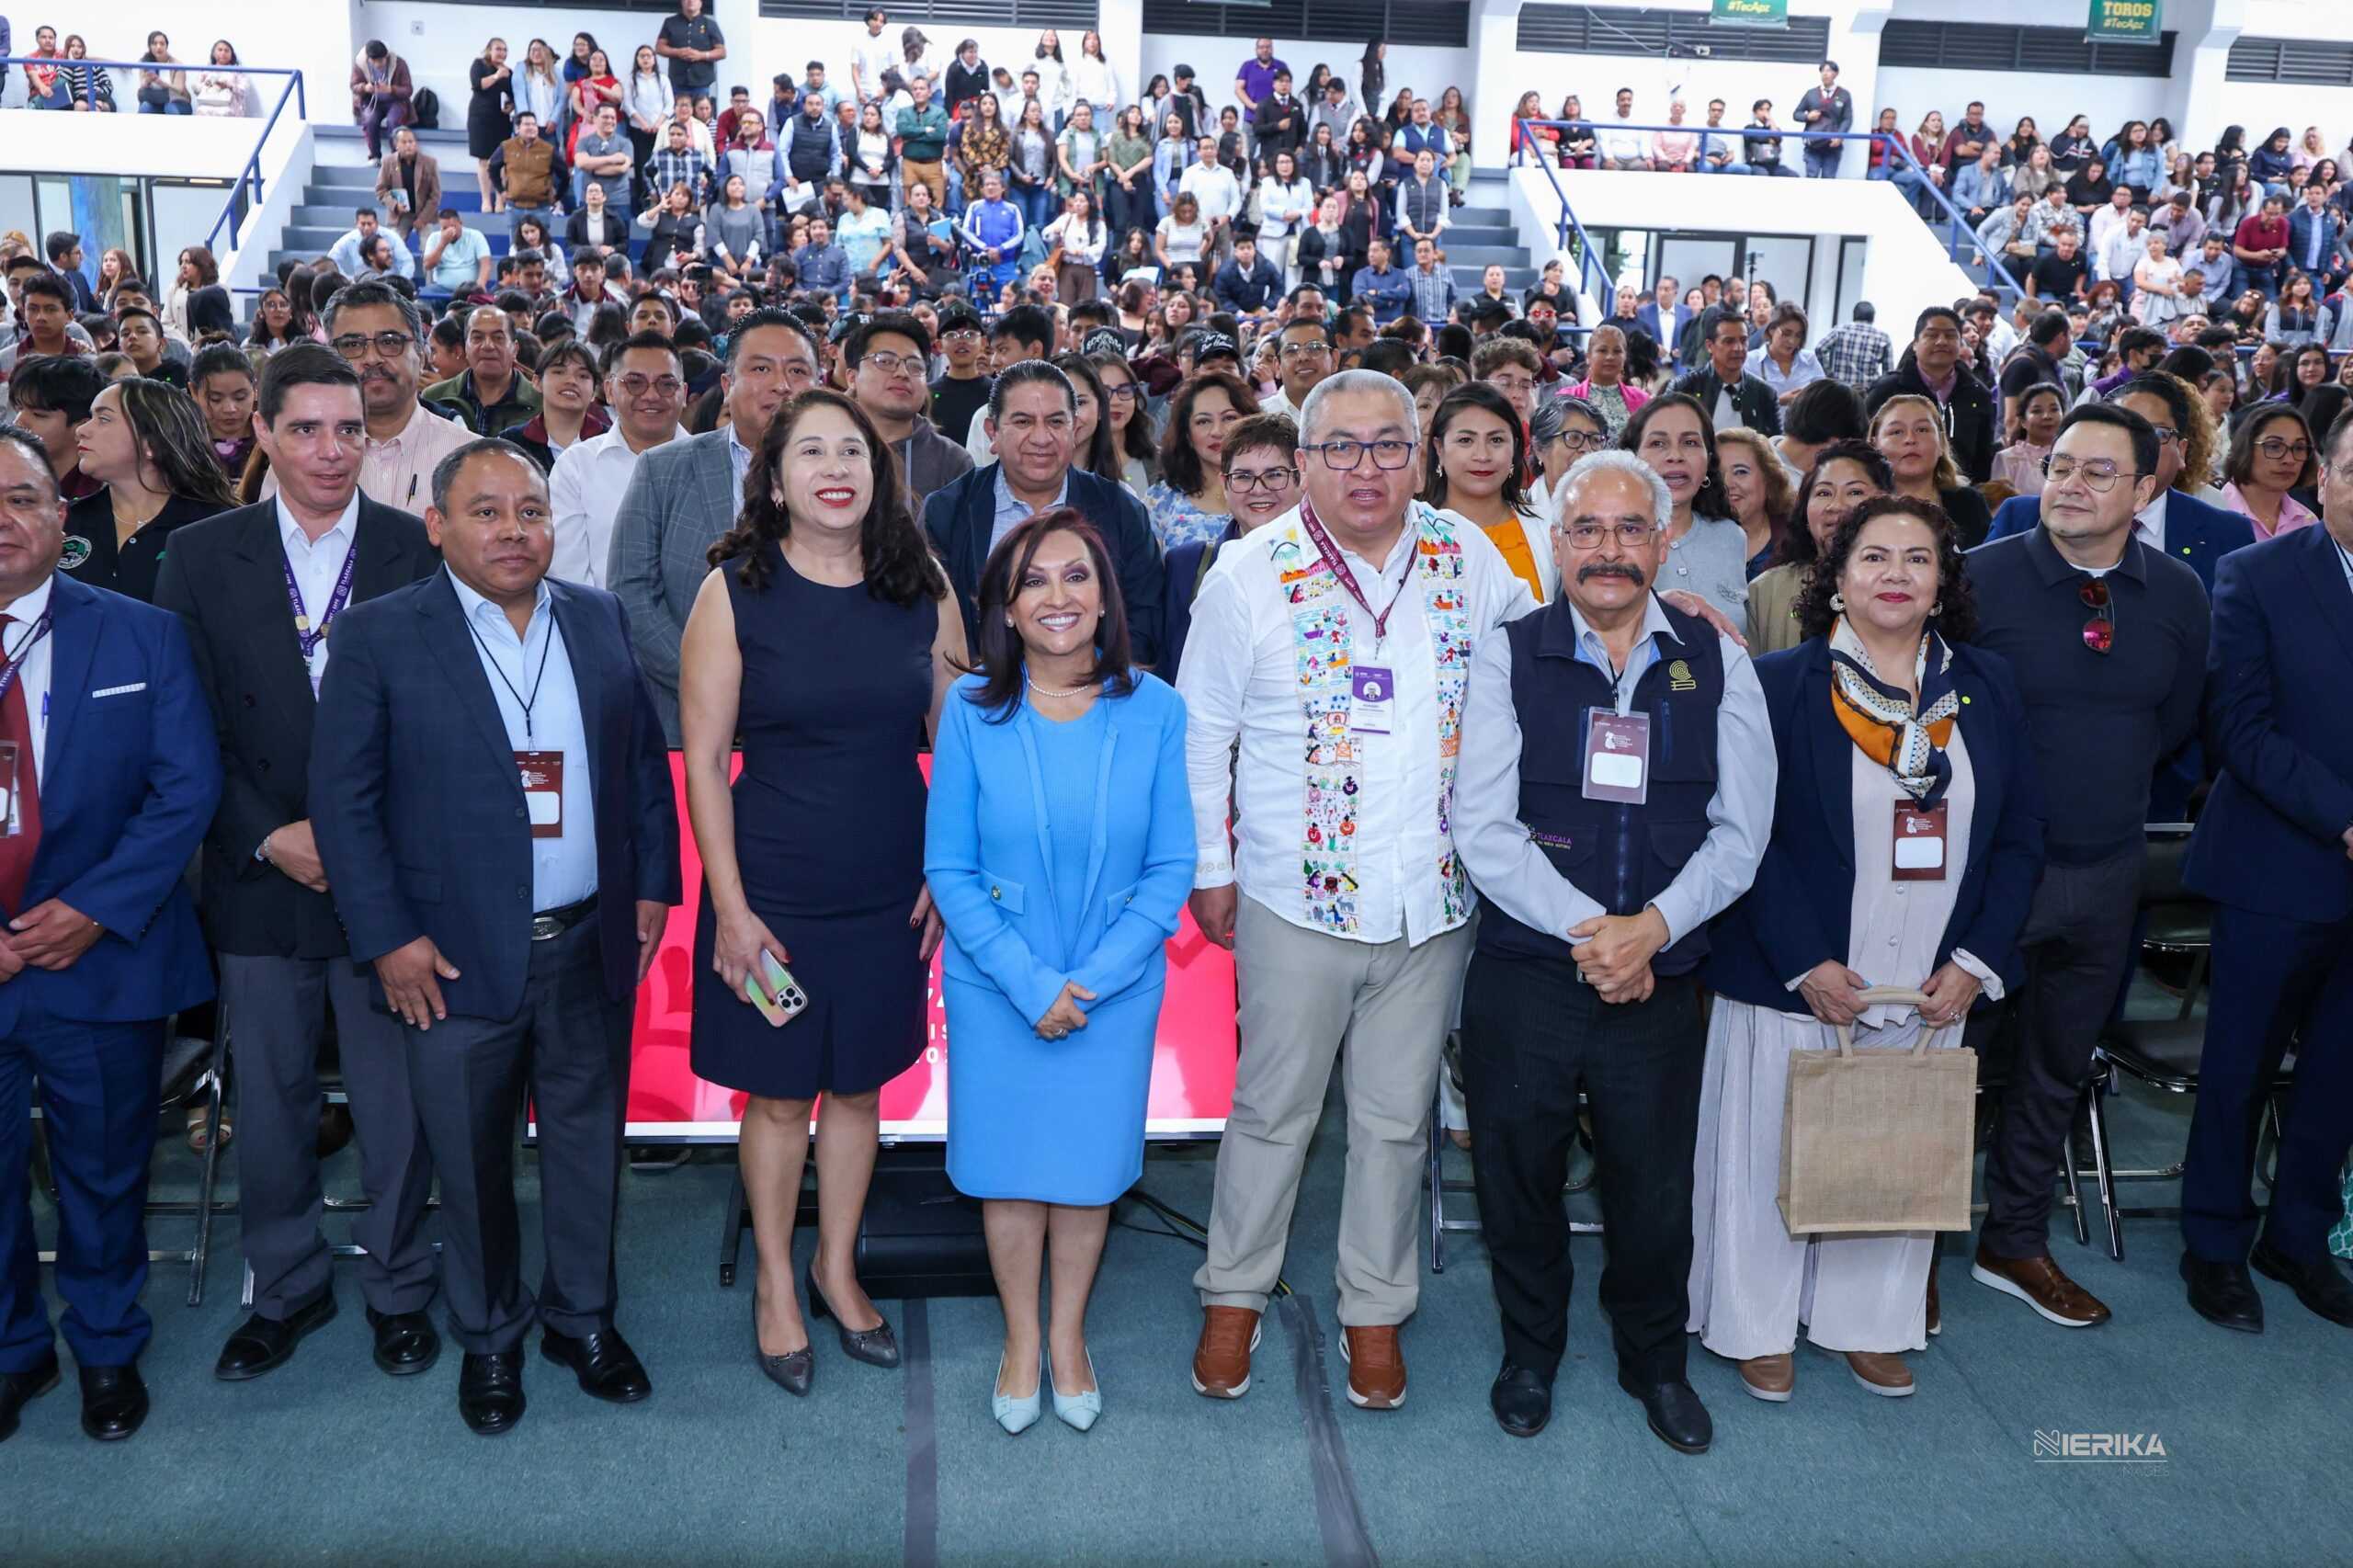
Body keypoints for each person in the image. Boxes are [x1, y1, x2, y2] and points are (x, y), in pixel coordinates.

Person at [1178, 369, 1536, 1410]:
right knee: (1271, 1110)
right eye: (1341, 447)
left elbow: (1544, 662)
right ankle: (1232, 1293)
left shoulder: (1468, 558)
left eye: (1387, 445)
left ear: (1418, 455)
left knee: (1394, 1120)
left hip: (1432, 901)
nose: (1365, 467)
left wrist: (1660, 606)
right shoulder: (1249, 571)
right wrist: (1211, 867)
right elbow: (1204, 735)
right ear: (1303, 461)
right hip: (1294, 897)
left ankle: (1374, 1311)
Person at [309, 437, 679, 1436]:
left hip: (590, 939)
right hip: (451, 954)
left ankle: (582, 1319)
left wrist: (651, 890)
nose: (513, 530)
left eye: (530, 511)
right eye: (486, 511)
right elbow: (344, 803)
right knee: (468, 1161)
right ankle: (488, 1336)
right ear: (437, 524)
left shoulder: (596, 618)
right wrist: (387, 937)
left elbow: (643, 765)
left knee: (584, 1144)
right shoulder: (381, 634)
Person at [1692, 492, 2043, 1402]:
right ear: (1836, 580)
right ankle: (1753, 1320)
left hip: (1931, 975)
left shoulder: (1986, 687)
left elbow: (2020, 836)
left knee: (1895, 1149)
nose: (1896, 574)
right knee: (1768, 1150)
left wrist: (1973, 960)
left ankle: (1869, 1319)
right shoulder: (1774, 684)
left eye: (1917, 559)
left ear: (1941, 584)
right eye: (1874, 557)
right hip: (1800, 973)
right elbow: (1743, 835)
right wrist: (1804, 959)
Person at [1451, 448, 1770, 1447]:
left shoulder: (1717, 659)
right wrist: (1596, 935)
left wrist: (1654, 929)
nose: (1608, 550)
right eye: (1586, 529)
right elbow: (1482, 824)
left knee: (1652, 1188)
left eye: (1631, 529)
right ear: (1556, 542)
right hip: (1531, 973)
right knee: (1517, 1174)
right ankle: (1530, 1351)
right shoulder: (1510, 651)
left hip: (1660, 978)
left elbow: (1742, 829)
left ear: (1665, 541)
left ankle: (1654, 1362)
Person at [153, 346, 443, 1385]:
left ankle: (402, 1280)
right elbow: (180, 725)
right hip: (260, 868)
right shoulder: (201, 553)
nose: (331, 450)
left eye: (351, 429)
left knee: (396, 1099)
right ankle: (284, 1285)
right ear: (263, 434)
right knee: (270, 1103)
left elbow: (444, 729)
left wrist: (356, 847)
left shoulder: (419, 547)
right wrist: (270, 832)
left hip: (388, 885)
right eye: (308, 429)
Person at [679, 389, 961, 1397]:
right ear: (776, 474)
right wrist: (731, 906)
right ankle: (774, 1284)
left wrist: (947, 869)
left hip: (891, 887)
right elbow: (706, 760)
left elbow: (958, 742)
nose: (836, 465)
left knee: (859, 1085)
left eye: (854, 449)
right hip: (775, 896)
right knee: (779, 1091)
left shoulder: (919, 580)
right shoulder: (734, 588)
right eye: (811, 450)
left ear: (881, 474)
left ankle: (836, 1269)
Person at [926, 509, 1191, 1432]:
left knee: (1084, 1170)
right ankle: (1021, 1340)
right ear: (1003, 604)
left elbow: (1170, 869)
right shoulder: (968, 711)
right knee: (1008, 1169)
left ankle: (1068, 1335)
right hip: (997, 986)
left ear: (1106, 595)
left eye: (1076, 576)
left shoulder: (1157, 709)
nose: (1057, 597)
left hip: (1113, 989)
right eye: (1034, 580)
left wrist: (1089, 981)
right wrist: (1031, 982)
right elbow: (949, 869)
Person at [1962, 403, 2209, 1332]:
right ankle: (1911, 1244)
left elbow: (2176, 722)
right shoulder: (1976, 578)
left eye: (2098, 471)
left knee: (2058, 1065)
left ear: (2146, 489)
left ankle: (2013, 1237)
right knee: (1950, 1063)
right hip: (1989, 873)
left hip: (2108, 868)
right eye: (2060, 464)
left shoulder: (2179, 594)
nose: (2068, 482)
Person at [0, 424, 221, 1445]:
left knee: (103, 1168)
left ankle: (103, 1344)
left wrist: (91, 909)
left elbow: (186, 788)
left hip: (104, 953)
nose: (4, 521)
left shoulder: (140, 633)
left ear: (64, 515)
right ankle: (12, 1350)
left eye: (23, 498)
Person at [2177, 406, 2353, 1333]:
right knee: (2239, 1067)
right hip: (2279, 867)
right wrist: (2344, 818)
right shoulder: (2255, 574)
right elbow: (2238, 729)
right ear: (2321, 477)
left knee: (2338, 1072)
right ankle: (2212, 1242)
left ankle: (2298, 1234)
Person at [608, 309, 821, 740]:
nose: (781, 384)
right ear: (727, 385)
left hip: (812, 725)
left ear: (819, 385)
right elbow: (631, 593)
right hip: (684, 720)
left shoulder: (848, 476)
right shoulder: (662, 468)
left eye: (797, 370)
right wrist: (711, 679)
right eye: (761, 368)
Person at [924, 361, 1164, 666]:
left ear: (1074, 429)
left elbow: (1144, 622)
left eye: (1055, 422)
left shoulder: (1121, 510)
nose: (1041, 438)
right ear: (993, 433)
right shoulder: (948, 510)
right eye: (1023, 422)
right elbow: (936, 628)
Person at [61, 378, 234, 602]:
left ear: (152, 441)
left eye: (103, 419)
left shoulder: (217, 527)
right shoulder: (66, 520)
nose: (81, 430)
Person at [1162, 415, 1300, 674]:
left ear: (1301, 478)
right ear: (1224, 484)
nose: (1259, 489)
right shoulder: (1187, 566)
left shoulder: (1333, 562)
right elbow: (1171, 670)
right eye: (1243, 476)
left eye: (1275, 474)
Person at [549, 333, 688, 589]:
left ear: (684, 393)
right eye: (634, 383)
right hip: (601, 624)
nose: (651, 395)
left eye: (666, 384)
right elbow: (567, 574)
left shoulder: (713, 465)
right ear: (610, 390)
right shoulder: (576, 467)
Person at [1747, 441, 1890, 655]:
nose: (1836, 506)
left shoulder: (1903, 582)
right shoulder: (1765, 592)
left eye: (1854, 492)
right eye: (1823, 493)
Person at [1620, 393, 1749, 622]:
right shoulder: (1609, 540)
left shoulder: (1731, 536)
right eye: (1658, 443)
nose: (1675, 456)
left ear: (1709, 459)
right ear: (1632, 457)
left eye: (1690, 443)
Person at [1426, 382, 1552, 601]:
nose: (1482, 455)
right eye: (1466, 440)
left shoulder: (1547, 528)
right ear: (1439, 448)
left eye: (1496, 440)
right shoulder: (1410, 531)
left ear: (1515, 448)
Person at [847, 312, 971, 514]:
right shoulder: (825, 449)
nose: (902, 373)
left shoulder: (952, 461)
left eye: (915, 366)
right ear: (852, 378)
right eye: (885, 361)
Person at [1866, 307, 1995, 484]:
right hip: (1893, 490)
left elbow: (1983, 457)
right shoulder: (1888, 390)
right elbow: (1865, 444)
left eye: (1950, 336)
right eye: (1932, 335)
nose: (1941, 342)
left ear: (1960, 343)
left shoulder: (1978, 394)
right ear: (1915, 344)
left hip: (1959, 493)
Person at [1145, 371, 1253, 551]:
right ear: (1187, 434)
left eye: (1229, 418)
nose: (1217, 431)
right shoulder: (1160, 500)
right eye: (1203, 421)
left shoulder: (1273, 490)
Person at [1870, 393, 1994, 550]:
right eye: (1897, 432)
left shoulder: (1969, 504)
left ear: (1941, 443)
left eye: (1922, 429)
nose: (1910, 439)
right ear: (1874, 445)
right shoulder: (1862, 506)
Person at [424, 305, 541, 438]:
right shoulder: (435, 398)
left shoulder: (539, 403)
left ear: (515, 349)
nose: (488, 346)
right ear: (465, 349)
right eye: (477, 338)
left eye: (498, 338)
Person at [1675, 309, 1782, 436]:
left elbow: (1774, 445)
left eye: (1743, 340)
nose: (1738, 348)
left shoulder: (1764, 393)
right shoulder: (1684, 387)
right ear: (1709, 346)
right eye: (1729, 341)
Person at [2221, 405, 2321, 539]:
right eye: (2274, 446)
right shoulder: (2215, 510)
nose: (2289, 460)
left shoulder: (2307, 521)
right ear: (2246, 448)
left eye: (2299, 448)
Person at [376, 128, 444, 250]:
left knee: (429, 248)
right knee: (392, 248)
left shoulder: (430, 163)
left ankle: (430, 269)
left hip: (424, 213)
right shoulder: (388, 162)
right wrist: (395, 205)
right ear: (396, 145)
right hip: (400, 215)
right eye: (404, 142)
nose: (409, 145)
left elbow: (435, 195)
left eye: (411, 141)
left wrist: (423, 219)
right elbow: (381, 190)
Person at [350, 40, 414, 161]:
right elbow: (353, 86)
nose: (378, 64)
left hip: (395, 101)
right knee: (370, 120)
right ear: (368, 59)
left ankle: (397, 156)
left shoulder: (399, 64)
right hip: (371, 101)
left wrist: (391, 89)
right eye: (374, 61)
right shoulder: (360, 64)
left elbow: (408, 90)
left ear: (387, 57)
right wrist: (364, 88)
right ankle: (374, 156)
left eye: (381, 60)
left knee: (393, 121)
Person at [655, 0, 726, 105]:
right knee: (679, 117)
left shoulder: (710, 24)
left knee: (701, 118)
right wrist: (677, 52)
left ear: (701, 3)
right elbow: (659, 47)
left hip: (701, 83)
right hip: (677, 82)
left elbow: (722, 52)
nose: (690, 1)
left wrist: (701, 55)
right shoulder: (670, 22)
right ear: (681, 2)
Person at [1793, 62, 1852, 180]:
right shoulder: (1811, 94)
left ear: (1836, 74)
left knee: (1828, 178)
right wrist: (1807, 117)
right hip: (1813, 144)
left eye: (1829, 71)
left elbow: (1847, 118)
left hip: (1832, 145)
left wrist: (1840, 136)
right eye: (1823, 71)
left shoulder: (1844, 95)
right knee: (1811, 176)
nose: (1825, 74)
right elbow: (1796, 114)